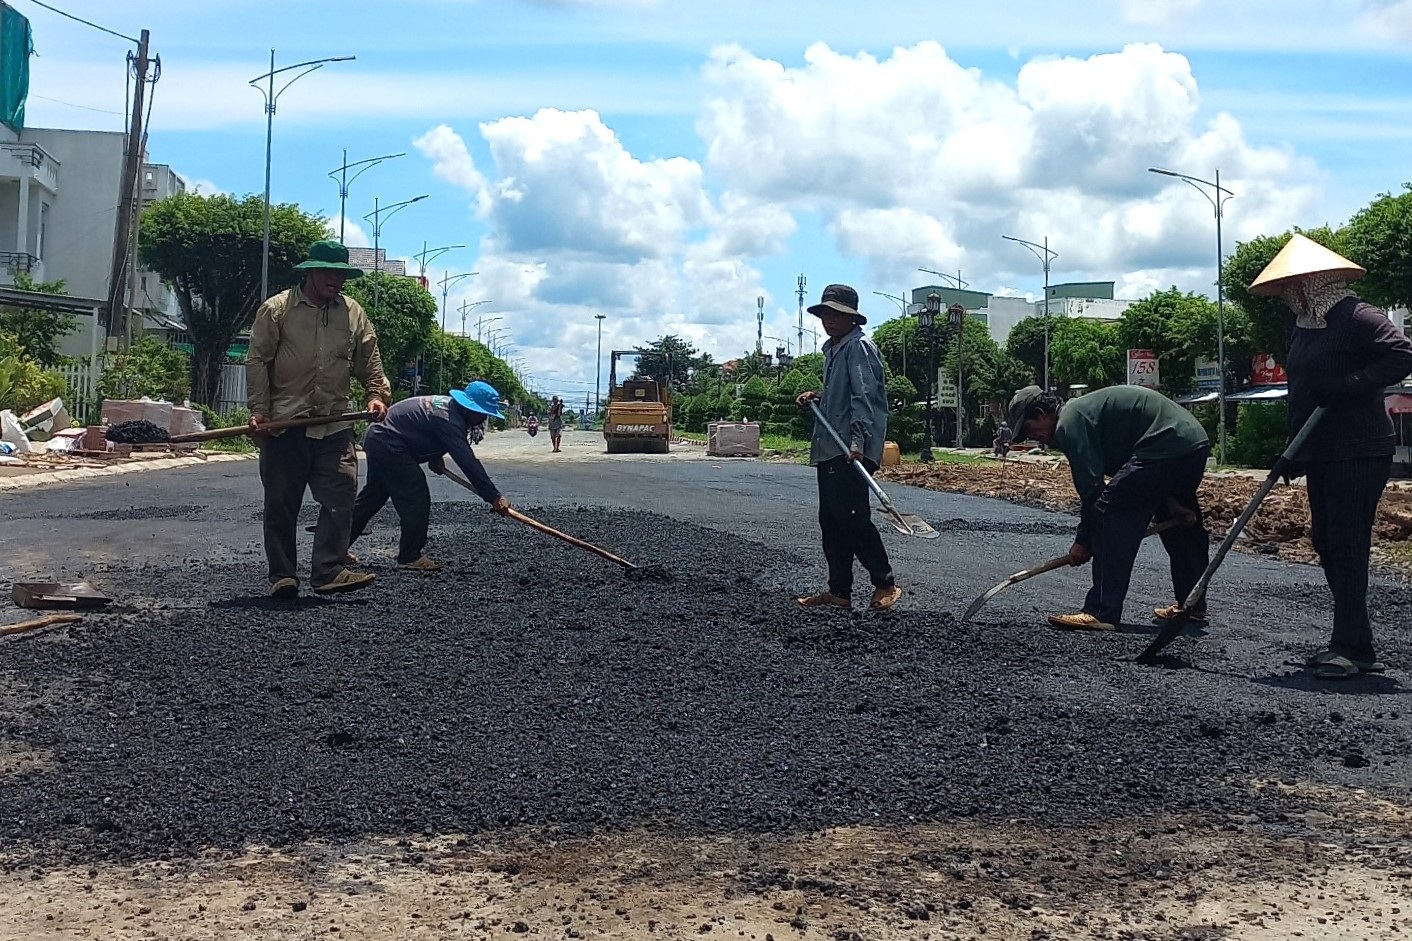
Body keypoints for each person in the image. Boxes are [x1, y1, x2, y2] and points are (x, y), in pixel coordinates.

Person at [1248, 234, 1412, 679]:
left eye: (1292, 287)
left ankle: (1350, 648)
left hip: (1358, 450)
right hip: (1320, 449)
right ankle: (1355, 644)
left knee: (1346, 545)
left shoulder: (1357, 316)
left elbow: (1402, 354)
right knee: (1326, 544)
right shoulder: (1306, 327)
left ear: (1314, 283)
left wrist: (1351, 382)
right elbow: (1303, 393)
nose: (1287, 296)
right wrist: (1293, 452)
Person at [246, 239, 390, 599]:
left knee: (341, 494)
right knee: (281, 503)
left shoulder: (353, 313)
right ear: (310, 271)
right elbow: (258, 360)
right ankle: (283, 575)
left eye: (341, 274)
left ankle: (328, 570)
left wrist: (376, 395)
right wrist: (259, 410)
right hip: (285, 424)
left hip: (334, 422)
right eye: (328, 272)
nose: (335, 280)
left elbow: (369, 360)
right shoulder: (277, 309)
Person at [1007, 384, 1210, 631]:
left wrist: (1084, 542)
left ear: (1040, 413)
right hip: (1192, 444)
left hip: (1164, 445)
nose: (1033, 438)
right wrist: (1169, 500)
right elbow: (1132, 473)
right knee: (1179, 524)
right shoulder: (1084, 414)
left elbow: (1093, 493)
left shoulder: (1069, 423)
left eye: (1029, 429)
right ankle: (1192, 604)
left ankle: (1101, 610)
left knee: (1109, 512)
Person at [794, 284, 902, 612]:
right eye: (825, 314)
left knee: (852, 517)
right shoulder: (834, 349)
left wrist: (857, 441)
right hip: (831, 446)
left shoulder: (859, 347)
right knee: (831, 519)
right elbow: (842, 397)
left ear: (851, 318)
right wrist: (818, 398)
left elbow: (864, 397)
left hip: (850, 449)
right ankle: (839, 591)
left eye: (836, 314)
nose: (829, 320)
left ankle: (885, 583)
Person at [349, 380, 513, 572]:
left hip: (379, 437)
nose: (484, 418)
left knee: (373, 497)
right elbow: (467, 461)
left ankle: (335, 549)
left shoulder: (448, 408)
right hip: (388, 443)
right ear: (471, 409)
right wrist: (494, 496)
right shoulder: (450, 420)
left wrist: (434, 456)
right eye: (483, 413)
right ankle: (410, 556)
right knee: (415, 495)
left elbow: (424, 429)